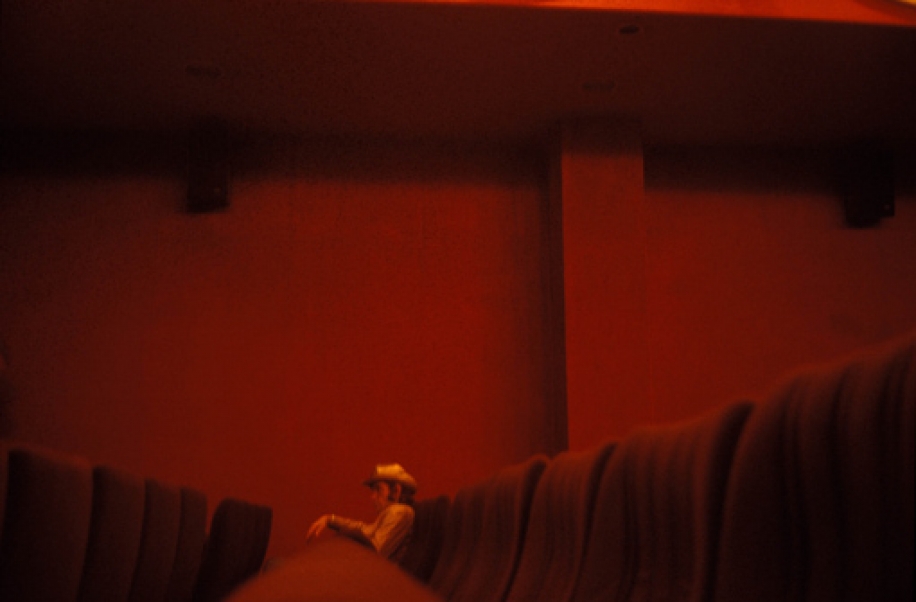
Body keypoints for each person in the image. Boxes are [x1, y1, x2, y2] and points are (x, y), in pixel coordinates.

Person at [306, 463, 417, 562]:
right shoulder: (393, 513)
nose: (373, 496)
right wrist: (331, 520)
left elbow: (375, 551)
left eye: (378, 489)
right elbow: (365, 530)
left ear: (396, 490)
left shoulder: (399, 512)